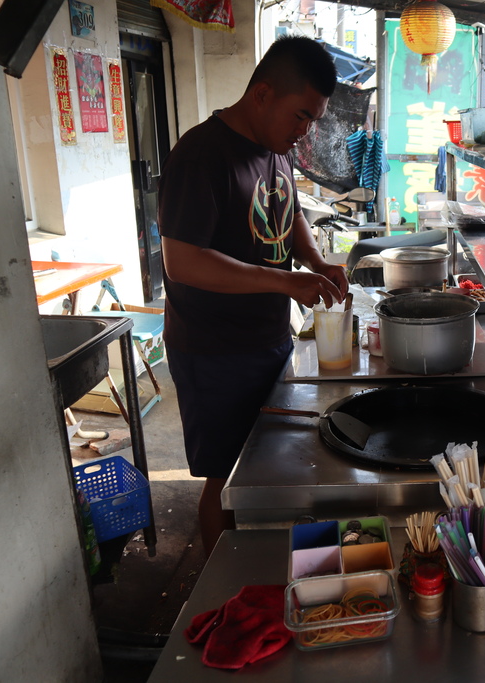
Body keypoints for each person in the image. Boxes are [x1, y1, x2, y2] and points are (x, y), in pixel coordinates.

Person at [158, 36, 349, 555]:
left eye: (312, 121)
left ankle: (259, 568)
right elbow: (183, 261)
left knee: (264, 466)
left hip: (266, 341)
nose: (304, 131)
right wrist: (286, 282)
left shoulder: (274, 149)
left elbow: (290, 214)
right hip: (213, 352)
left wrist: (314, 261)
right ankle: (217, 590)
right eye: (301, 116)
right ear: (262, 94)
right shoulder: (201, 155)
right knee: (224, 481)